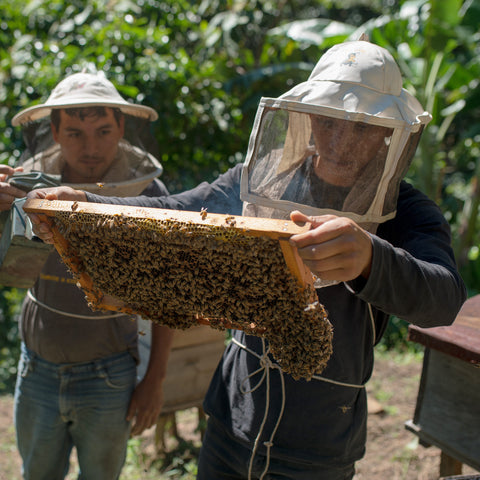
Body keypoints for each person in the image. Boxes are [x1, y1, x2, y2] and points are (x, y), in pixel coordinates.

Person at [26, 40, 466, 480]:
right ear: (309, 118)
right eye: (329, 122)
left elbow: (444, 297)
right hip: (229, 425)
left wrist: (373, 257)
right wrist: (83, 204)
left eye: (362, 128)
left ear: (389, 133)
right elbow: (177, 213)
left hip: (318, 444)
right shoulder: (259, 181)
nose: (340, 141)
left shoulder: (406, 211)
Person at [1, 71, 174, 479]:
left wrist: (154, 380)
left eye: (102, 131)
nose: (91, 147)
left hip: (109, 373)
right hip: (37, 367)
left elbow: (167, 292)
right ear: (55, 132)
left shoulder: (148, 195)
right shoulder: (31, 186)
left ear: (121, 128)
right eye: (75, 132)